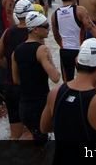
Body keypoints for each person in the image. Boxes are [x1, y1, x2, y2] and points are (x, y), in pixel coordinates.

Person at [12, 11, 60, 142]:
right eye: (45, 26)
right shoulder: (42, 50)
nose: (49, 29)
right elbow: (55, 77)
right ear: (35, 30)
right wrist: (49, 56)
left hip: (24, 106)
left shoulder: (17, 50)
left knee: (37, 142)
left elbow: (16, 79)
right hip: (40, 106)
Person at [0, 0, 33, 139]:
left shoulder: (8, 32)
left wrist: (11, 68)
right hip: (28, 88)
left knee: (15, 135)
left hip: (10, 86)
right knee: (31, 132)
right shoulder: (34, 34)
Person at [52, 0, 96, 82]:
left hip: (65, 51)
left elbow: (56, 35)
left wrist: (63, 46)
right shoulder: (80, 10)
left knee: (67, 82)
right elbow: (91, 28)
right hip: (80, 50)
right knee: (86, 80)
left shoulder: (55, 14)